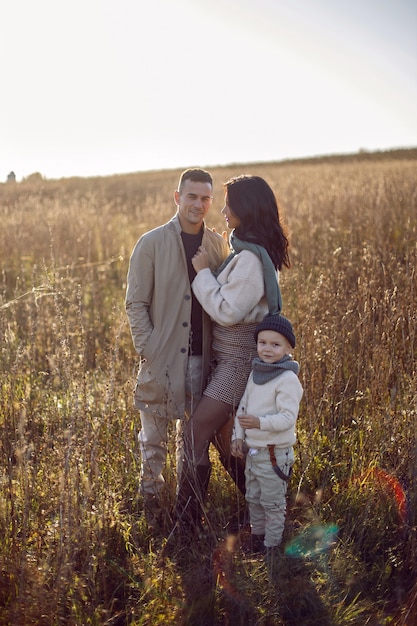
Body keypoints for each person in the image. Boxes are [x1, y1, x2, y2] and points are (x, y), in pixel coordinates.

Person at [176, 175, 290, 531]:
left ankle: (188, 519)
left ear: (246, 208)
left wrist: (202, 274)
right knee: (226, 439)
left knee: (195, 432)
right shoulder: (246, 252)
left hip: (237, 363)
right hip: (227, 359)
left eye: (228, 204)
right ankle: (268, 510)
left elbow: (226, 311)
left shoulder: (252, 261)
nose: (222, 210)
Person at [125, 168, 229, 529]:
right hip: (161, 358)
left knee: (193, 438)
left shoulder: (216, 245)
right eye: (191, 196)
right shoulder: (150, 243)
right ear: (177, 197)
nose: (198, 204)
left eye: (205, 198)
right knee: (153, 439)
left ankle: (189, 510)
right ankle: (151, 505)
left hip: (203, 362)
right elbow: (135, 303)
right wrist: (150, 349)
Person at [231, 313, 303, 557]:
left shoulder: (287, 379)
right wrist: (238, 437)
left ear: (288, 348)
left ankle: (272, 548)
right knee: (254, 497)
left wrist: (259, 423)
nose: (267, 349)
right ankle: (257, 537)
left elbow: (287, 419)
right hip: (253, 451)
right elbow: (243, 407)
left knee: (272, 503)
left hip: (274, 454)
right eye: (262, 343)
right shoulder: (256, 373)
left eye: (276, 344)